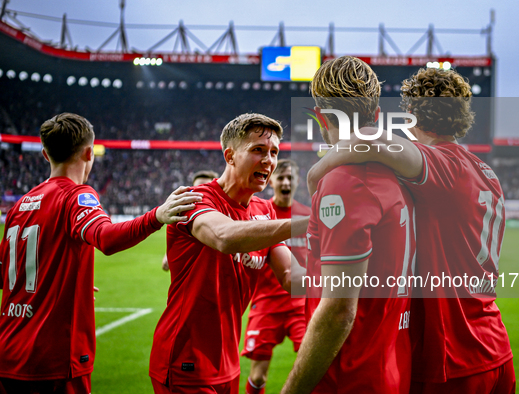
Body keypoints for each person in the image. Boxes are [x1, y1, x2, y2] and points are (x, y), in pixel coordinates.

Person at [307, 66, 515, 393]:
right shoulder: (484, 170)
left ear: (412, 117)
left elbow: (368, 138)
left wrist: (315, 175)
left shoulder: (445, 166)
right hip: (494, 344)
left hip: (454, 356)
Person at [0, 113, 200, 394]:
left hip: (8, 350)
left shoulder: (18, 206)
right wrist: (157, 216)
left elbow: (7, 274)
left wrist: (61, 280)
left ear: (45, 155)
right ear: (88, 152)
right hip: (53, 358)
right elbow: (105, 238)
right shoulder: (75, 196)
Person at [281, 56, 416, 394]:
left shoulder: (346, 182)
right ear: (378, 115)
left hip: (349, 378)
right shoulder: (400, 177)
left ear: (321, 116)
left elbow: (339, 311)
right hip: (387, 368)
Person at [149, 113, 308, 394]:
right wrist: (312, 223)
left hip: (226, 359)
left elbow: (289, 276)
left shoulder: (263, 210)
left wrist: (352, 278)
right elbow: (224, 237)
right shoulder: (194, 199)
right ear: (230, 156)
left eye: (273, 152)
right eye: (258, 150)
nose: (269, 160)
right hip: (185, 357)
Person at [242, 159, 310, 394]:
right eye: (281, 177)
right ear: (271, 181)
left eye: (291, 178)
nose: (286, 182)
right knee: (258, 376)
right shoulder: (262, 214)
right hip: (266, 303)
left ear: (298, 182)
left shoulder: (307, 216)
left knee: (313, 365)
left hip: (299, 304)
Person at [161, 170, 220, 271]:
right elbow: (176, 234)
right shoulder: (183, 212)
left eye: (205, 187)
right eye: (197, 187)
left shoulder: (222, 209)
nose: (201, 191)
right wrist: (168, 254)